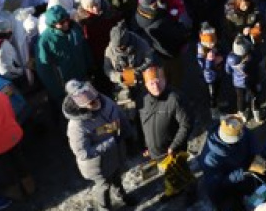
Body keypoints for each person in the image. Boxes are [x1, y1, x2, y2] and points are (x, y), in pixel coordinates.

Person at [62, 80, 136, 209]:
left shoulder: (102, 100)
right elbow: (83, 152)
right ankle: (104, 208)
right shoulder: (76, 126)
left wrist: (127, 133)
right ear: (79, 104)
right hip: (98, 164)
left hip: (115, 155)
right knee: (104, 187)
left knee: (117, 177)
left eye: (92, 95)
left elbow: (117, 114)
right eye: (89, 101)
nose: (96, 102)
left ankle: (121, 196)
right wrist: (111, 142)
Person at [137, 66, 194, 202]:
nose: (155, 85)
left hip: (173, 151)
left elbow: (186, 124)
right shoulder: (142, 100)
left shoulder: (175, 98)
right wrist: (145, 145)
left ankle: (191, 191)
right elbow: (141, 123)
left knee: (182, 173)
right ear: (146, 85)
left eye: (158, 81)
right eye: (151, 83)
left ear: (165, 80)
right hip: (155, 152)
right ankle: (173, 189)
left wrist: (174, 146)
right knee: (168, 173)